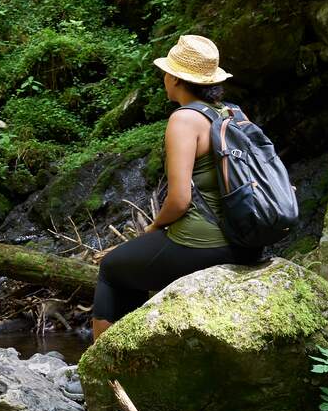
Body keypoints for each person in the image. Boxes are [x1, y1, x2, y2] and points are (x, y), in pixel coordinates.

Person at [90, 34, 261, 341]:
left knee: (112, 269)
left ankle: (102, 362)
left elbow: (180, 200)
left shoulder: (184, 120)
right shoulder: (233, 114)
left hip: (205, 244)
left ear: (177, 79)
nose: (164, 78)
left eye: (167, 72)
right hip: (247, 240)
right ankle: (135, 349)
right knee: (134, 268)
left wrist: (154, 227)